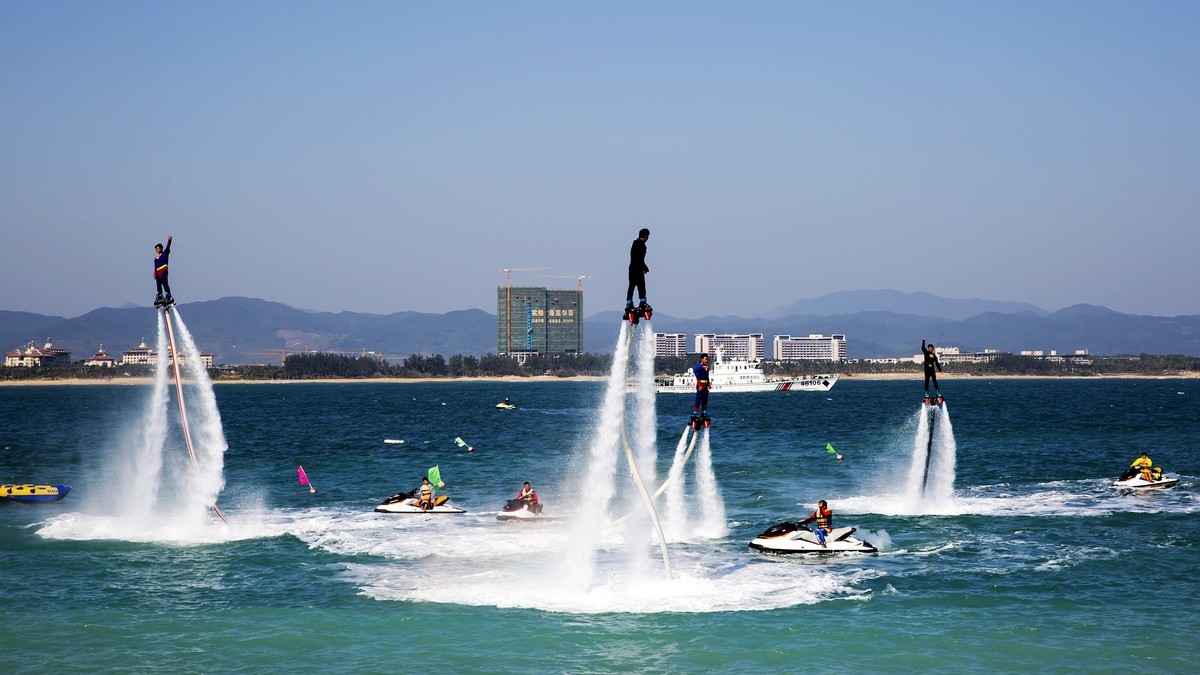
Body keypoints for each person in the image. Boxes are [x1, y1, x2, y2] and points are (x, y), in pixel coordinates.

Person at [625, 228, 650, 311]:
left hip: (631, 269)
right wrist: (645, 268)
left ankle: (629, 302)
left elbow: (634, 258)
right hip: (638, 269)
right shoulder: (642, 246)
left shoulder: (634, 243)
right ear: (646, 236)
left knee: (631, 286)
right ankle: (642, 302)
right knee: (641, 286)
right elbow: (639, 259)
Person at [153, 235, 174, 305]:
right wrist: (155, 274)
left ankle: (168, 295)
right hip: (158, 272)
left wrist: (169, 240)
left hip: (163, 270)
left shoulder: (164, 254)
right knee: (158, 284)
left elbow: (168, 247)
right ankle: (160, 295)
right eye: (156, 249)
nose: (156, 250)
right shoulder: (156, 258)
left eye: (157, 248)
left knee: (165, 283)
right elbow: (155, 266)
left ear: (161, 248)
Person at [692, 352, 710, 418]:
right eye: (705, 359)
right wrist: (700, 385)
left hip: (705, 385)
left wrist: (708, 384)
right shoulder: (698, 367)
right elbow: (698, 377)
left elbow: (707, 376)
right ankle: (694, 413)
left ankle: (704, 413)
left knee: (705, 400)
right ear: (701, 359)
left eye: (707, 359)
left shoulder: (707, 367)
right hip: (700, 385)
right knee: (698, 399)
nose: (706, 360)